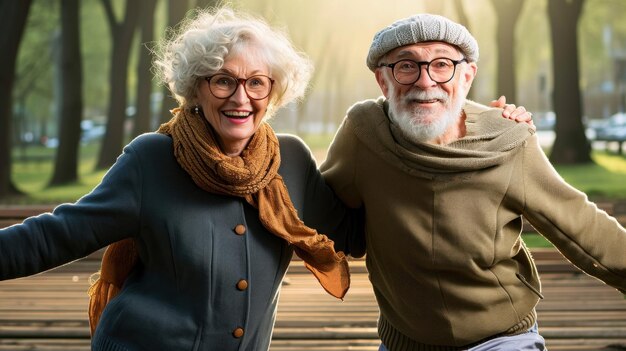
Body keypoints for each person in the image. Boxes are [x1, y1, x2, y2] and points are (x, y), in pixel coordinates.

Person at [0, 7, 529, 351]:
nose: (240, 96)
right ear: (196, 89)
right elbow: (56, 234)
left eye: (257, 82)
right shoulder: (151, 160)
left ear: (273, 93)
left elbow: (359, 233)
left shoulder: (292, 162)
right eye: (223, 80)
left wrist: (466, 129)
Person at [320, 13, 626, 351]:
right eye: (406, 66)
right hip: (404, 343)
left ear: (467, 76)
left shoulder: (508, 140)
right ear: (383, 80)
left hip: (501, 339)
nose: (425, 82)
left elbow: (580, 225)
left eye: (441, 65)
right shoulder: (364, 134)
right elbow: (325, 217)